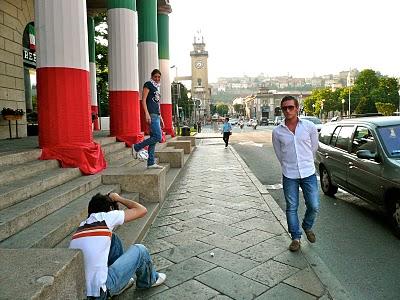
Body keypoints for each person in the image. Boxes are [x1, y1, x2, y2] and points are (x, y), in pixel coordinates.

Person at [69, 192, 166, 299]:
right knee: (140, 250)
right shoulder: (105, 217)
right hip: (100, 293)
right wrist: (118, 198)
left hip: (83, 293)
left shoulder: (81, 227)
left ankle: (122, 283)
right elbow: (142, 210)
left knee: (113, 239)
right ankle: (149, 280)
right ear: (110, 209)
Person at [272, 95, 319, 252]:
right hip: (289, 174)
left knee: (314, 205)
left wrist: (306, 162)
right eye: (284, 108)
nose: (287, 110)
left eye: (291, 107)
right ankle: (296, 238)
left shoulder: (309, 127)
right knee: (291, 207)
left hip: (308, 172)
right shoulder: (277, 132)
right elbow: (280, 154)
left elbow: (314, 147)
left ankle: (307, 225)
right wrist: (288, 166)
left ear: (297, 108)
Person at [132, 69, 164, 169]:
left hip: (157, 115)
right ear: (152, 76)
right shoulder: (148, 84)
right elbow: (144, 100)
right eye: (155, 77)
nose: (157, 78)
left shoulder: (156, 87)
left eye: (159, 77)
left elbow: (157, 104)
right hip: (151, 115)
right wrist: (146, 114)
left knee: (153, 140)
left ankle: (150, 163)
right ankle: (136, 147)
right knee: (158, 137)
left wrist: (161, 117)